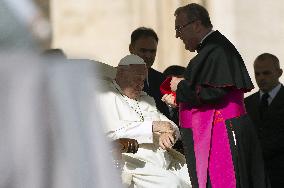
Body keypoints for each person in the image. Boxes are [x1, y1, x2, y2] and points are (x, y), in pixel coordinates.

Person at [162, 3, 269, 188]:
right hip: (219, 129)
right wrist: (179, 99)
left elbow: (213, 92)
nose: (177, 35)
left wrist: (180, 87)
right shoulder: (211, 50)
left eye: (179, 28)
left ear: (196, 25)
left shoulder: (217, 50)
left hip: (224, 133)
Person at [96, 54, 192, 188]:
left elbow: (171, 126)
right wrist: (152, 127)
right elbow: (110, 133)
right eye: (136, 79)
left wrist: (169, 134)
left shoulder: (146, 99)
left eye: (143, 80)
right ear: (121, 74)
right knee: (171, 184)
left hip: (165, 159)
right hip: (136, 162)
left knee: (196, 177)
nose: (140, 85)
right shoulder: (107, 96)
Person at [245, 53, 284, 188]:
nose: (261, 78)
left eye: (266, 73)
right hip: (253, 178)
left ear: (279, 72)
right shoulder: (246, 104)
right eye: (258, 74)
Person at [129, 27, 170, 118]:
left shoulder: (162, 80)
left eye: (152, 51)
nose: (148, 56)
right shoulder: (115, 79)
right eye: (143, 51)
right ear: (131, 49)